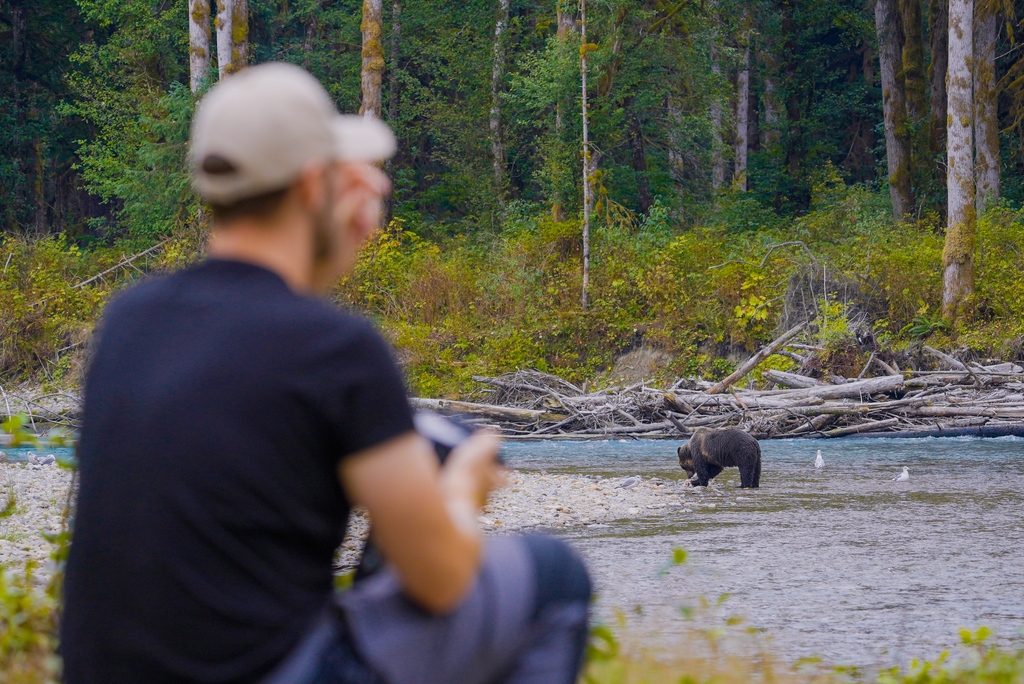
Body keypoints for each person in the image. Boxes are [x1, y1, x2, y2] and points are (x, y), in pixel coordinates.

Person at [60, 62, 591, 683]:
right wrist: (459, 490)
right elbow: (443, 583)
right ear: (315, 186)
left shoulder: (129, 320)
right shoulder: (336, 348)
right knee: (555, 575)